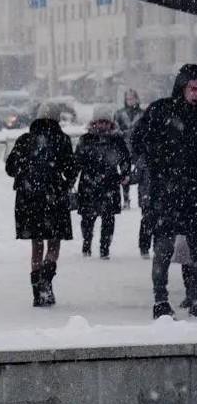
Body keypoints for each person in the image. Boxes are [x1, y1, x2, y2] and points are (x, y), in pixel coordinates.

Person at [130, 64, 197, 319]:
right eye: (193, 88)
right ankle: (160, 299)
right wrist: (156, 162)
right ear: (182, 87)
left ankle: (194, 296)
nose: (196, 94)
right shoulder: (161, 111)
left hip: (192, 192)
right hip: (167, 193)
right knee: (164, 248)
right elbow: (138, 140)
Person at [5, 102, 78, 307]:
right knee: (53, 243)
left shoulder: (25, 140)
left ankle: (37, 290)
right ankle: (47, 280)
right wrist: (63, 183)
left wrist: (26, 174)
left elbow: (10, 168)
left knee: (36, 244)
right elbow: (71, 169)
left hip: (28, 199)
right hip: (54, 197)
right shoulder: (62, 140)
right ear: (56, 118)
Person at [74, 106, 130, 260]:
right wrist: (71, 178)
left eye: (106, 122)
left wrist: (125, 174)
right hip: (88, 183)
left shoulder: (116, 140)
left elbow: (125, 158)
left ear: (110, 123)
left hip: (109, 183)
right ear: (94, 122)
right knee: (87, 218)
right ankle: (87, 243)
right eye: (100, 122)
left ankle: (105, 248)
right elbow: (77, 161)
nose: (102, 125)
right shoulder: (85, 139)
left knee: (108, 218)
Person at [114, 90, 143, 210]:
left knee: (141, 171)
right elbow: (115, 128)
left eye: (132, 98)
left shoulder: (142, 113)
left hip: (138, 147)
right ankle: (126, 198)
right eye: (128, 98)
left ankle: (142, 197)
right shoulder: (120, 113)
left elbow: (146, 128)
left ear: (136, 99)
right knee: (124, 172)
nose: (130, 101)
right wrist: (124, 133)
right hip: (124, 146)